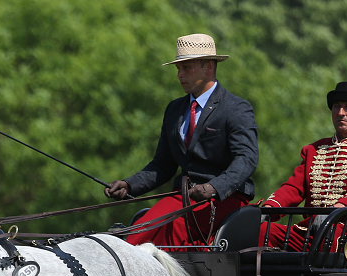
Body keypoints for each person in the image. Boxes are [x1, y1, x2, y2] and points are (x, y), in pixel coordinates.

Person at [104, 33, 258, 247]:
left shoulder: (236, 108)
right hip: (183, 198)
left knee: (169, 229)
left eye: (187, 68)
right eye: (178, 68)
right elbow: (163, 165)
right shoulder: (174, 110)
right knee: (136, 235)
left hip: (224, 199)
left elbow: (246, 159)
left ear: (209, 67)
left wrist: (213, 187)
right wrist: (130, 184)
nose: (180, 75)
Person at [260, 82, 347, 251]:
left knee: (331, 232)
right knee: (262, 231)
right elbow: (294, 187)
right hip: (310, 231)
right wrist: (268, 208)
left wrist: (335, 212)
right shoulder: (313, 150)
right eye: (337, 107)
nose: (341, 113)